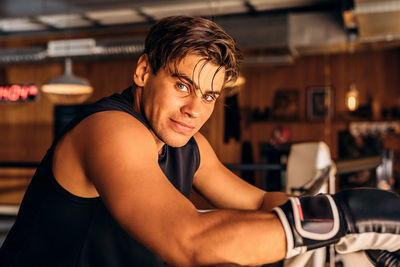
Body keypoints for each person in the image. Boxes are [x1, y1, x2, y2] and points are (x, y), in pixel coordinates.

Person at [1, 16, 399, 267]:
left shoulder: (187, 146)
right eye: (181, 85)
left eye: (208, 96)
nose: (195, 109)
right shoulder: (110, 129)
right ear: (143, 71)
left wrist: (336, 231)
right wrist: (347, 214)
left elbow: (259, 202)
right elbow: (188, 241)